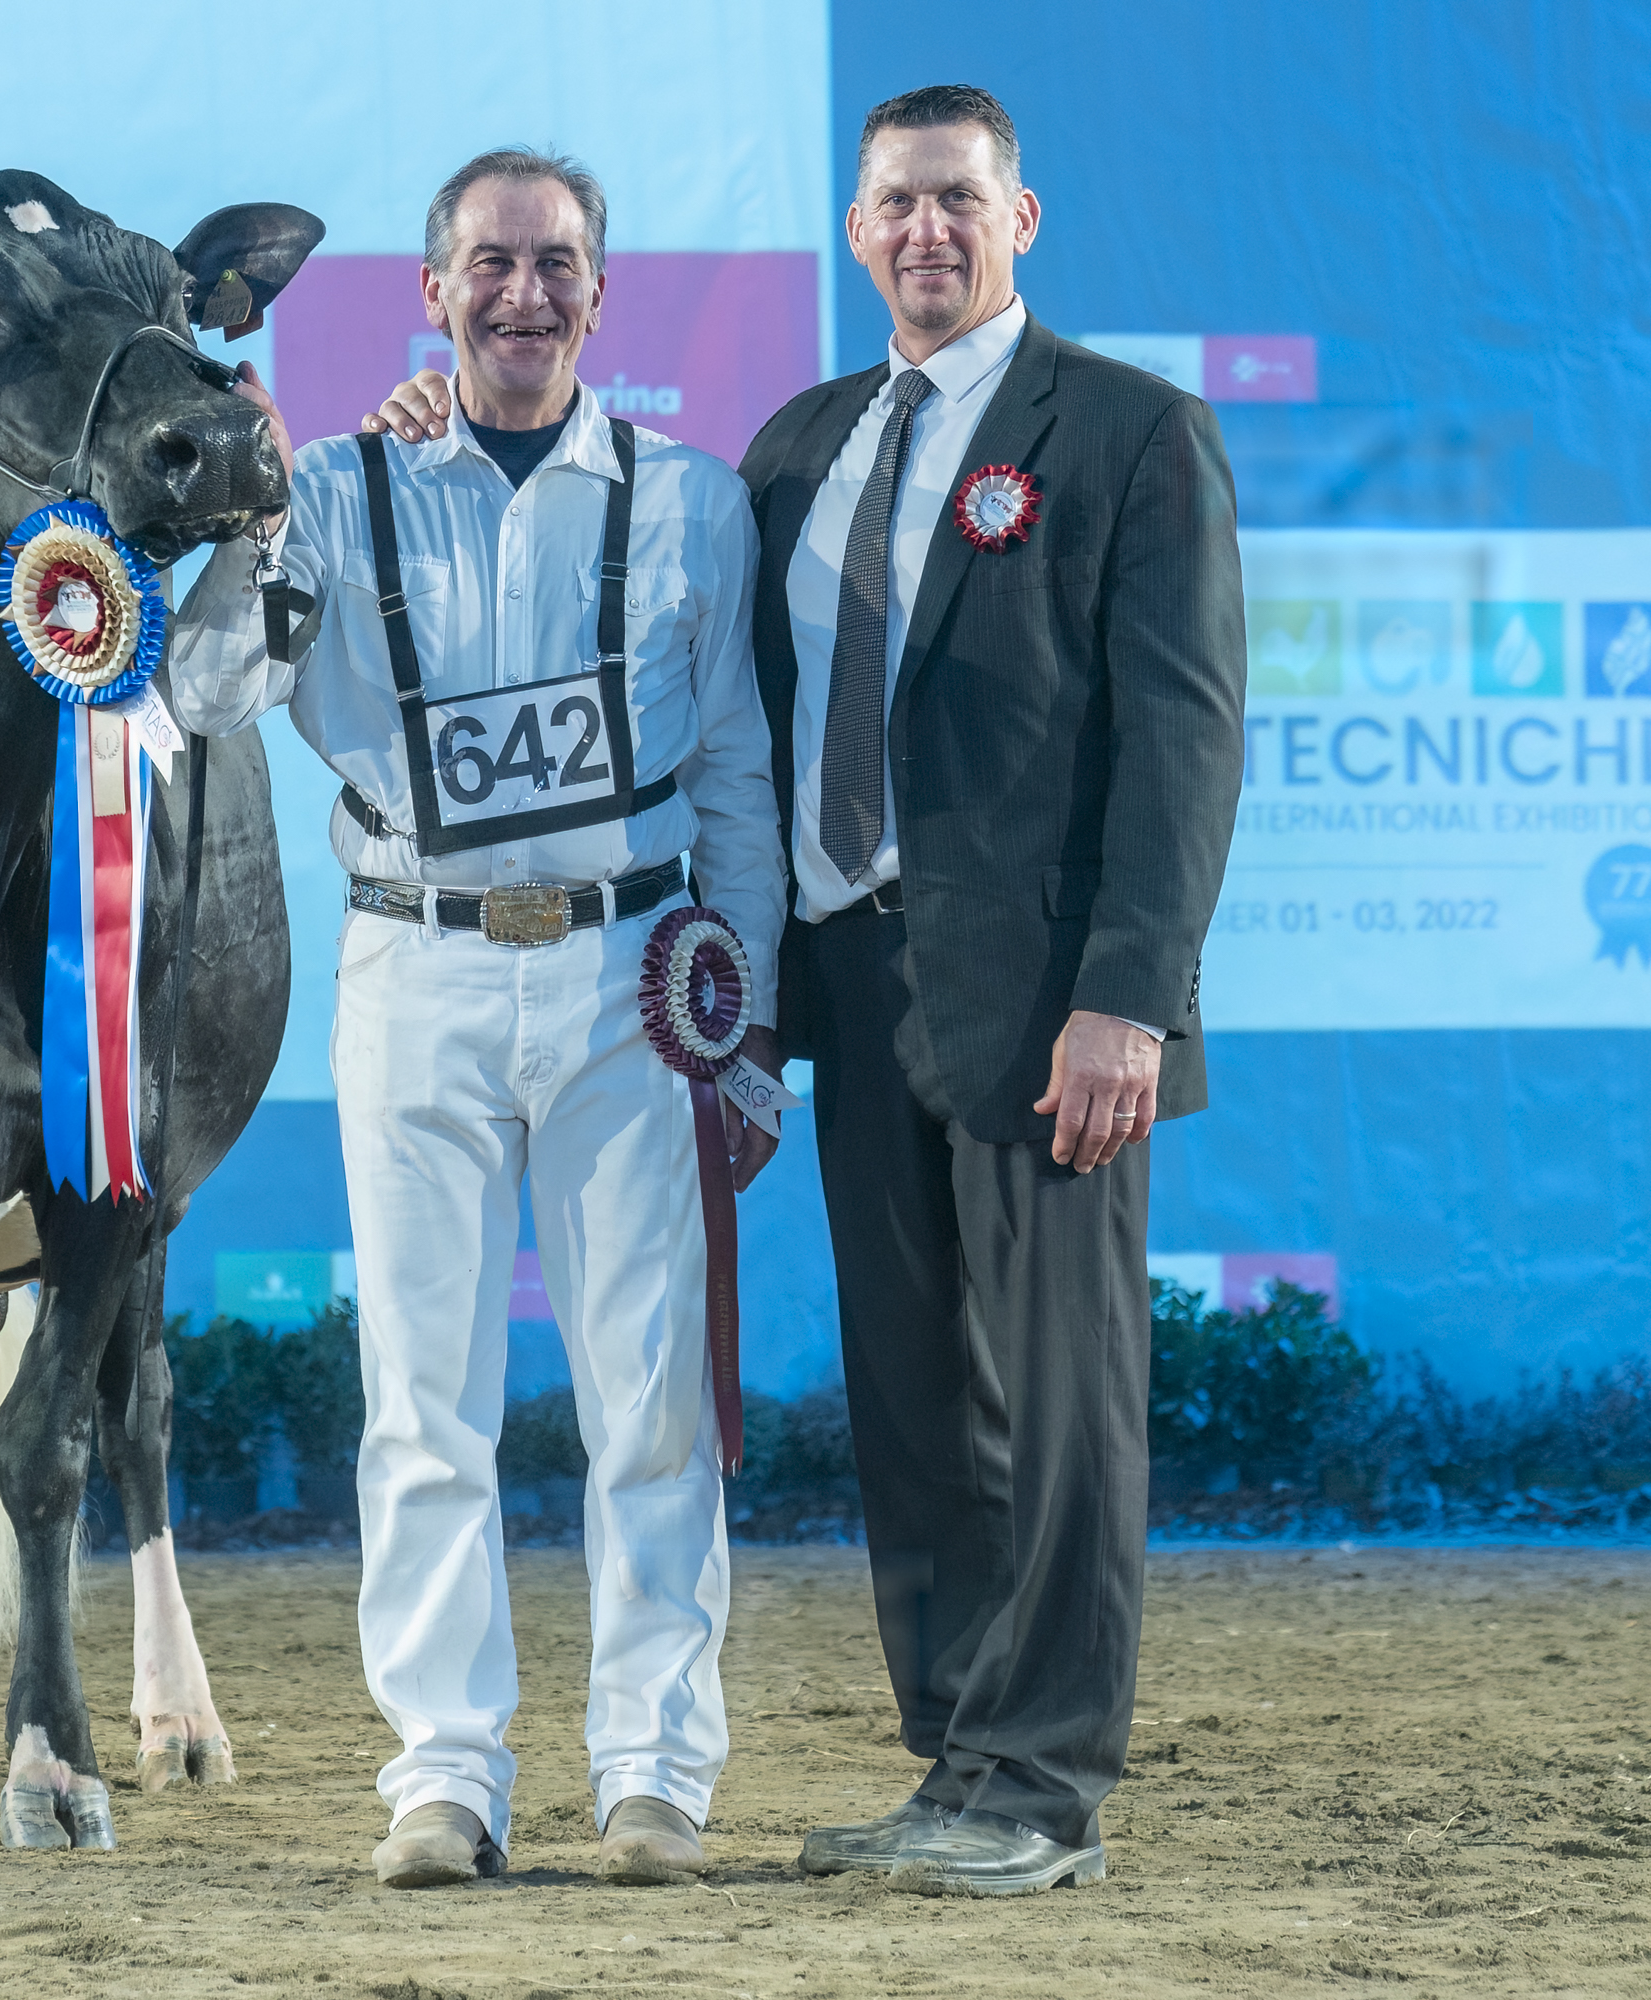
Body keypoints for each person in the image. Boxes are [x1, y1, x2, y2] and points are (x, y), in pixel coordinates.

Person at [378, 82, 1247, 1895]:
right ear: (856, 234)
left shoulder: (1126, 432)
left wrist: (1132, 997)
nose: (926, 230)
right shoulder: (794, 448)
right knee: (912, 1397)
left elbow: (1184, 741)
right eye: (896, 205)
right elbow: (736, 737)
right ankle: (957, 1758)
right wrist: (753, 1012)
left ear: (1019, 219)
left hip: (1049, 1006)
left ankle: (1043, 1789)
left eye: (958, 200)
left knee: (1060, 1398)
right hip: (850, 989)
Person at [176, 147, 787, 1890]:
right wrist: (256, 530)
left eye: (556, 262)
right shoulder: (328, 487)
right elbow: (207, 690)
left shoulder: (691, 501)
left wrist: (744, 1027)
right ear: (431, 290)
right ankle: (442, 1778)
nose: (524, 293)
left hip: (633, 983)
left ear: (600, 290)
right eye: (491, 264)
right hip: (414, 968)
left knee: (652, 1399)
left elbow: (734, 777)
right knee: (420, 1400)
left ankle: (652, 1775)